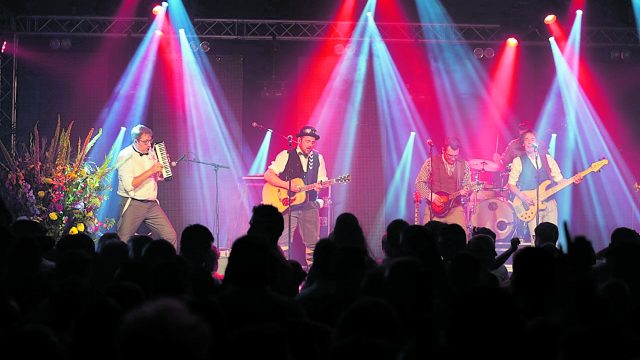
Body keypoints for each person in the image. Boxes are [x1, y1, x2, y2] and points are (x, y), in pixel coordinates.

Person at [263, 125, 328, 266]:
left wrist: (320, 184)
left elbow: (322, 178)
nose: (310, 144)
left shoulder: (318, 158)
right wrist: (287, 185)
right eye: (307, 141)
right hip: (287, 204)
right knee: (283, 241)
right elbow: (268, 175)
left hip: (309, 204)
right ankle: (282, 271)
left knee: (313, 242)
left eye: (313, 142)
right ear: (299, 140)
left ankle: (312, 274)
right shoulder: (286, 155)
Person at [507, 129, 581, 238]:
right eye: (526, 140)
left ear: (536, 143)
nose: (529, 142)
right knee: (536, 240)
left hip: (550, 204)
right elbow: (511, 184)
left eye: (532, 139)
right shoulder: (518, 161)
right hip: (531, 205)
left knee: (551, 239)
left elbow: (559, 180)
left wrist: (573, 180)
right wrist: (522, 196)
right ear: (523, 144)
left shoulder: (547, 159)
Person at [116, 125, 177, 247]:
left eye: (150, 140)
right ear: (135, 141)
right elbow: (130, 185)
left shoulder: (152, 152)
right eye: (145, 142)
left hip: (151, 204)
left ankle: (170, 264)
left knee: (170, 236)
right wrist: (151, 170)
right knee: (123, 240)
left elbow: (158, 177)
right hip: (133, 202)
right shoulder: (125, 155)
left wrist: (164, 168)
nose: (149, 144)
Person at [415, 137, 471, 231]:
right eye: (450, 155)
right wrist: (431, 196)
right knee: (427, 238)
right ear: (443, 150)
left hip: (455, 208)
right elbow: (419, 183)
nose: (453, 158)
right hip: (433, 209)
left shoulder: (464, 165)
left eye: (456, 155)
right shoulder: (431, 162)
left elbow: (467, 185)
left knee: (462, 237)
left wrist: (466, 191)